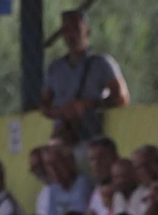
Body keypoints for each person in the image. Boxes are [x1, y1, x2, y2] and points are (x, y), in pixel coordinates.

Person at [39, 9, 129, 147]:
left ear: (87, 32)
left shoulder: (102, 63)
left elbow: (122, 98)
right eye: (66, 30)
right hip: (64, 136)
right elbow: (44, 106)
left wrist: (89, 105)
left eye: (76, 29)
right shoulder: (54, 69)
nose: (71, 35)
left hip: (91, 135)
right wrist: (63, 112)